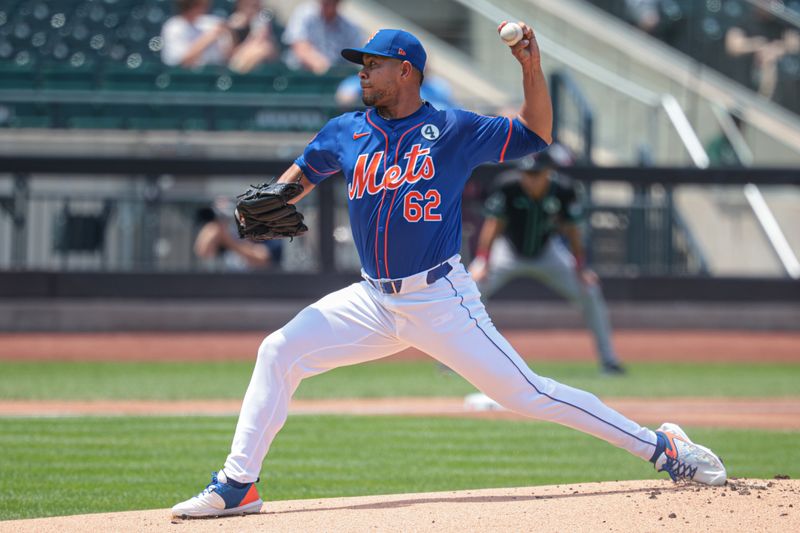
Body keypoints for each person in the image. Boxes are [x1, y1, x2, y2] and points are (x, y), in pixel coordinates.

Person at [172, 24, 727, 519]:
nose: (363, 71)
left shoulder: (453, 128)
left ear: (406, 70)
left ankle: (663, 448)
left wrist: (531, 70)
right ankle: (239, 484)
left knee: (528, 394)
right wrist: (275, 194)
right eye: (362, 64)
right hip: (371, 299)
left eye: (374, 63)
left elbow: (536, 132)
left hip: (440, 298)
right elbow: (296, 178)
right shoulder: (346, 130)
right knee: (278, 351)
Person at [468, 144, 625, 374]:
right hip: (508, 251)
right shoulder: (508, 185)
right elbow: (493, 227)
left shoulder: (563, 189)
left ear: (549, 171)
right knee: (469, 291)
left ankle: (609, 361)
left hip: (548, 252)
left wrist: (582, 267)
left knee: (590, 292)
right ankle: (450, 361)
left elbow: (573, 231)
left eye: (536, 173)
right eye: (526, 173)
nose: (530, 179)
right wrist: (482, 261)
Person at [194, 197, 282, 271]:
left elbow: (263, 260)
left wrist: (230, 242)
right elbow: (203, 252)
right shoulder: (226, 232)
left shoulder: (269, 233)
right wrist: (213, 226)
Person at [281, 0, 362, 74]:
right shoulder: (304, 13)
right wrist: (323, 66)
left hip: (332, 79)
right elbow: (301, 48)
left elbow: (355, 57)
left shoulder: (349, 26)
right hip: (298, 74)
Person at [161, 0, 232, 68]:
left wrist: (229, 32)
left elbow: (228, 57)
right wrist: (209, 37)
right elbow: (182, 62)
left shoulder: (213, 23)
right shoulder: (173, 27)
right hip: (184, 77)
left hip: (214, 74)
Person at [226, 0, 280, 73]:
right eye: (247, 5)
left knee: (265, 48)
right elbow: (230, 54)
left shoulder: (262, 22)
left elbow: (273, 53)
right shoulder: (232, 23)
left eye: (255, 6)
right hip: (236, 62)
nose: (251, 10)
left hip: (259, 65)